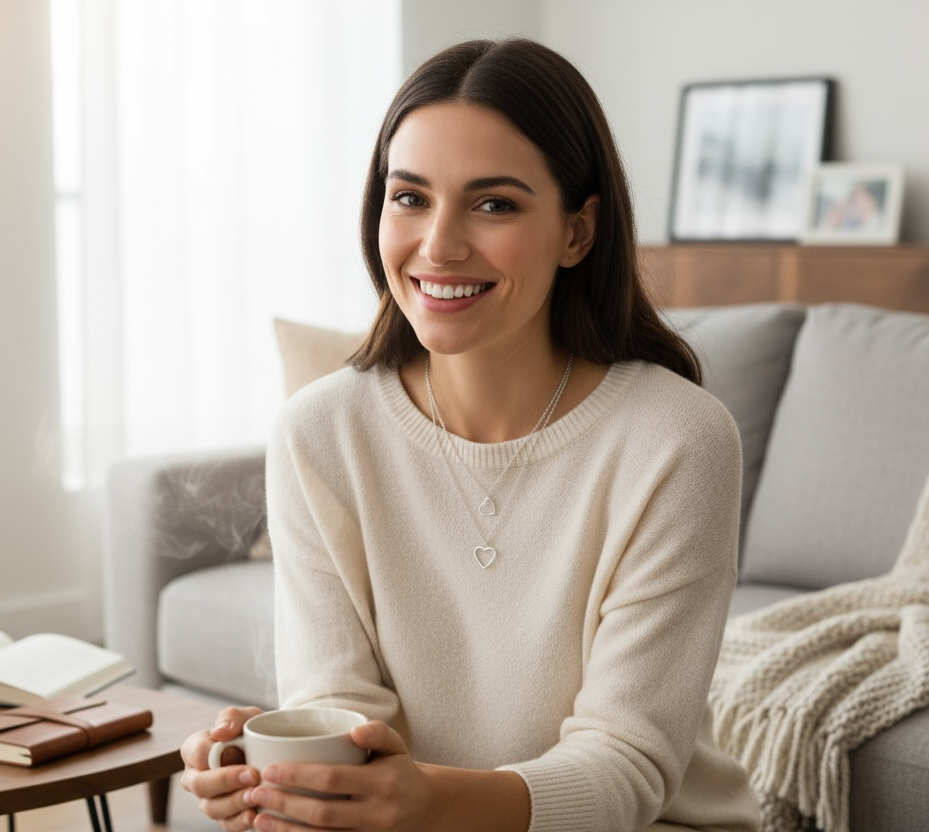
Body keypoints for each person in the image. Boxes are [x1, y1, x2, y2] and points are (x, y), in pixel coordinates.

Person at [180, 37, 761, 832]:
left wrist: (425, 801)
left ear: (578, 232)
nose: (439, 245)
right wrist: (290, 779)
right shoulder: (319, 433)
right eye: (409, 197)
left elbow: (627, 764)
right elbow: (340, 708)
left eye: (494, 205)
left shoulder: (678, 439)